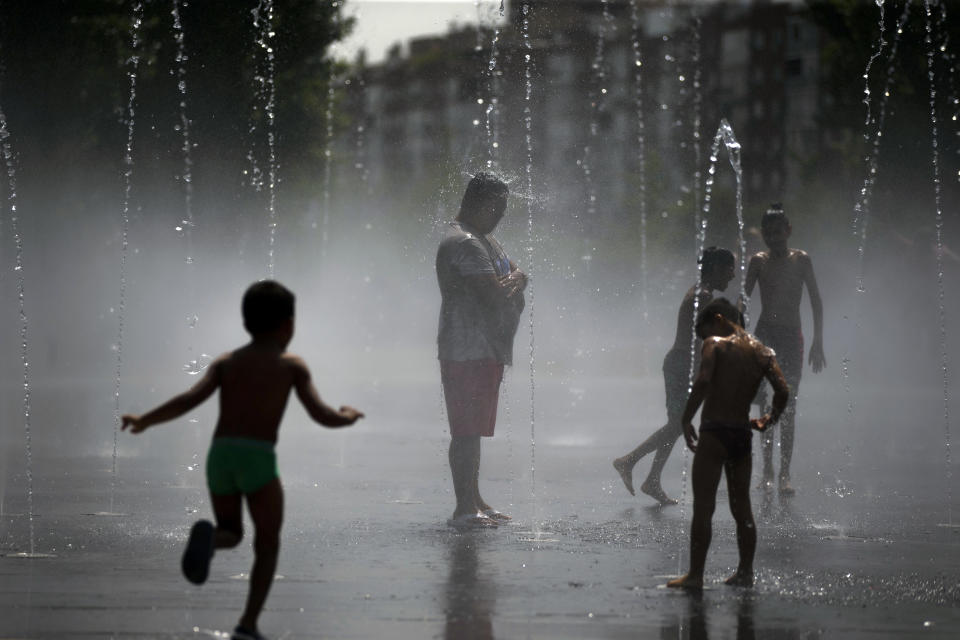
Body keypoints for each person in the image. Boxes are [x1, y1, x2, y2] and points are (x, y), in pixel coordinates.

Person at [122, 281, 364, 640]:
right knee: (267, 542)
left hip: (220, 456)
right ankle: (247, 625)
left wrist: (145, 420)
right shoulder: (291, 365)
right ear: (288, 325)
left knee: (231, 532)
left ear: (245, 322)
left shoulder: (226, 362)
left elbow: (189, 399)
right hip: (258, 459)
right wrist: (348, 415)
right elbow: (321, 415)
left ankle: (210, 540)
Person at [667, 298, 789, 590]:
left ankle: (695, 575)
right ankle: (745, 572)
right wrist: (769, 420)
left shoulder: (716, 345)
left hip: (714, 433)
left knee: (704, 507)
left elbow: (704, 380)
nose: (705, 338)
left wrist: (686, 419)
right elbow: (783, 390)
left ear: (719, 318)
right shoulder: (763, 352)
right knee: (742, 508)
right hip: (740, 435)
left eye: (705, 330)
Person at [436, 172, 527, 528]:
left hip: (483, 348)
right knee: (466, 432)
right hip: (466, 349)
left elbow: (515, 274)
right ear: (479, 202)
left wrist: (520, 278)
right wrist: (516, 282)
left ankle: (475, 500)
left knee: (473, 429)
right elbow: (493, 294)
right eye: (499, 206)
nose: (503, 213)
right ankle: (463, 509)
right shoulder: (465, 243)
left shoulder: (484, 239)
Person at [613, 247, 736, 505]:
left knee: (677, 426)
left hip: (683, 363)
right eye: (729, 270)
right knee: (678, 425)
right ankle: (628, 461)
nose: (732, 276)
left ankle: (652, 480)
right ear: (714, 269)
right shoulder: (701, 296)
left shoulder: (702, 294)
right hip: (683, 364)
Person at [743, 204, 826, 496]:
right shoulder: (758, 261)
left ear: (788, 231)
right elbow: (744, 301)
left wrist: (818, 341)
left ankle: (785, 473)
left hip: (792, 338)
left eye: (778, 232)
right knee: (767, 405)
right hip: (766, 337)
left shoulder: (801, 261)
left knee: (789, 406)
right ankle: (767, 471)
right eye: (768, 233)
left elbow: (815, 300)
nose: (773, 238)